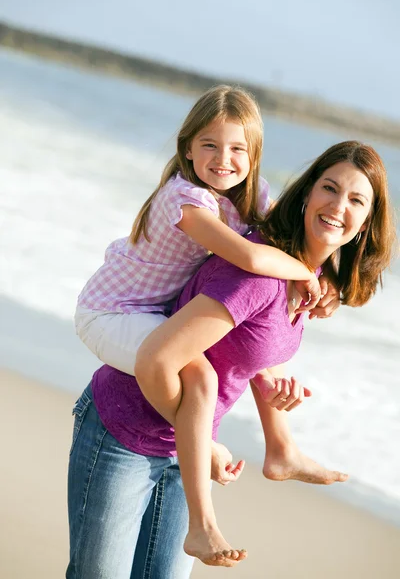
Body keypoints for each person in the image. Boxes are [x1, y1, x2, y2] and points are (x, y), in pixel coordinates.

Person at [67, 140, 397, 578]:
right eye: (329, 188)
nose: (338, 205)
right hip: (124, 433)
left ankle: (282, 452)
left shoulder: (306, 273)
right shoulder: (260, 275)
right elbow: (158, 360)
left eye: (356, 199)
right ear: (306, 194)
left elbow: (244, 344)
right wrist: (209, 446)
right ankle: (210, 519)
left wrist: (269, 387)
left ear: (367, 223)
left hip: (184, 450)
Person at [74, 84, 325, 560]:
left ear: (254, 155)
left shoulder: (253, 198)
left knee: (205, 365)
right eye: (209, 144)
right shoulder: (185, 198)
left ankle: (281, 447)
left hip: (155, 312)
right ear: (187, 148)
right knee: (198, 373)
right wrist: (301, 273)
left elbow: (283, 248)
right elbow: (250, 256)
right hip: (110, 311)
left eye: (237, 148)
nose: (223, 159)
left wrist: (320, 280)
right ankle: (203, 510)